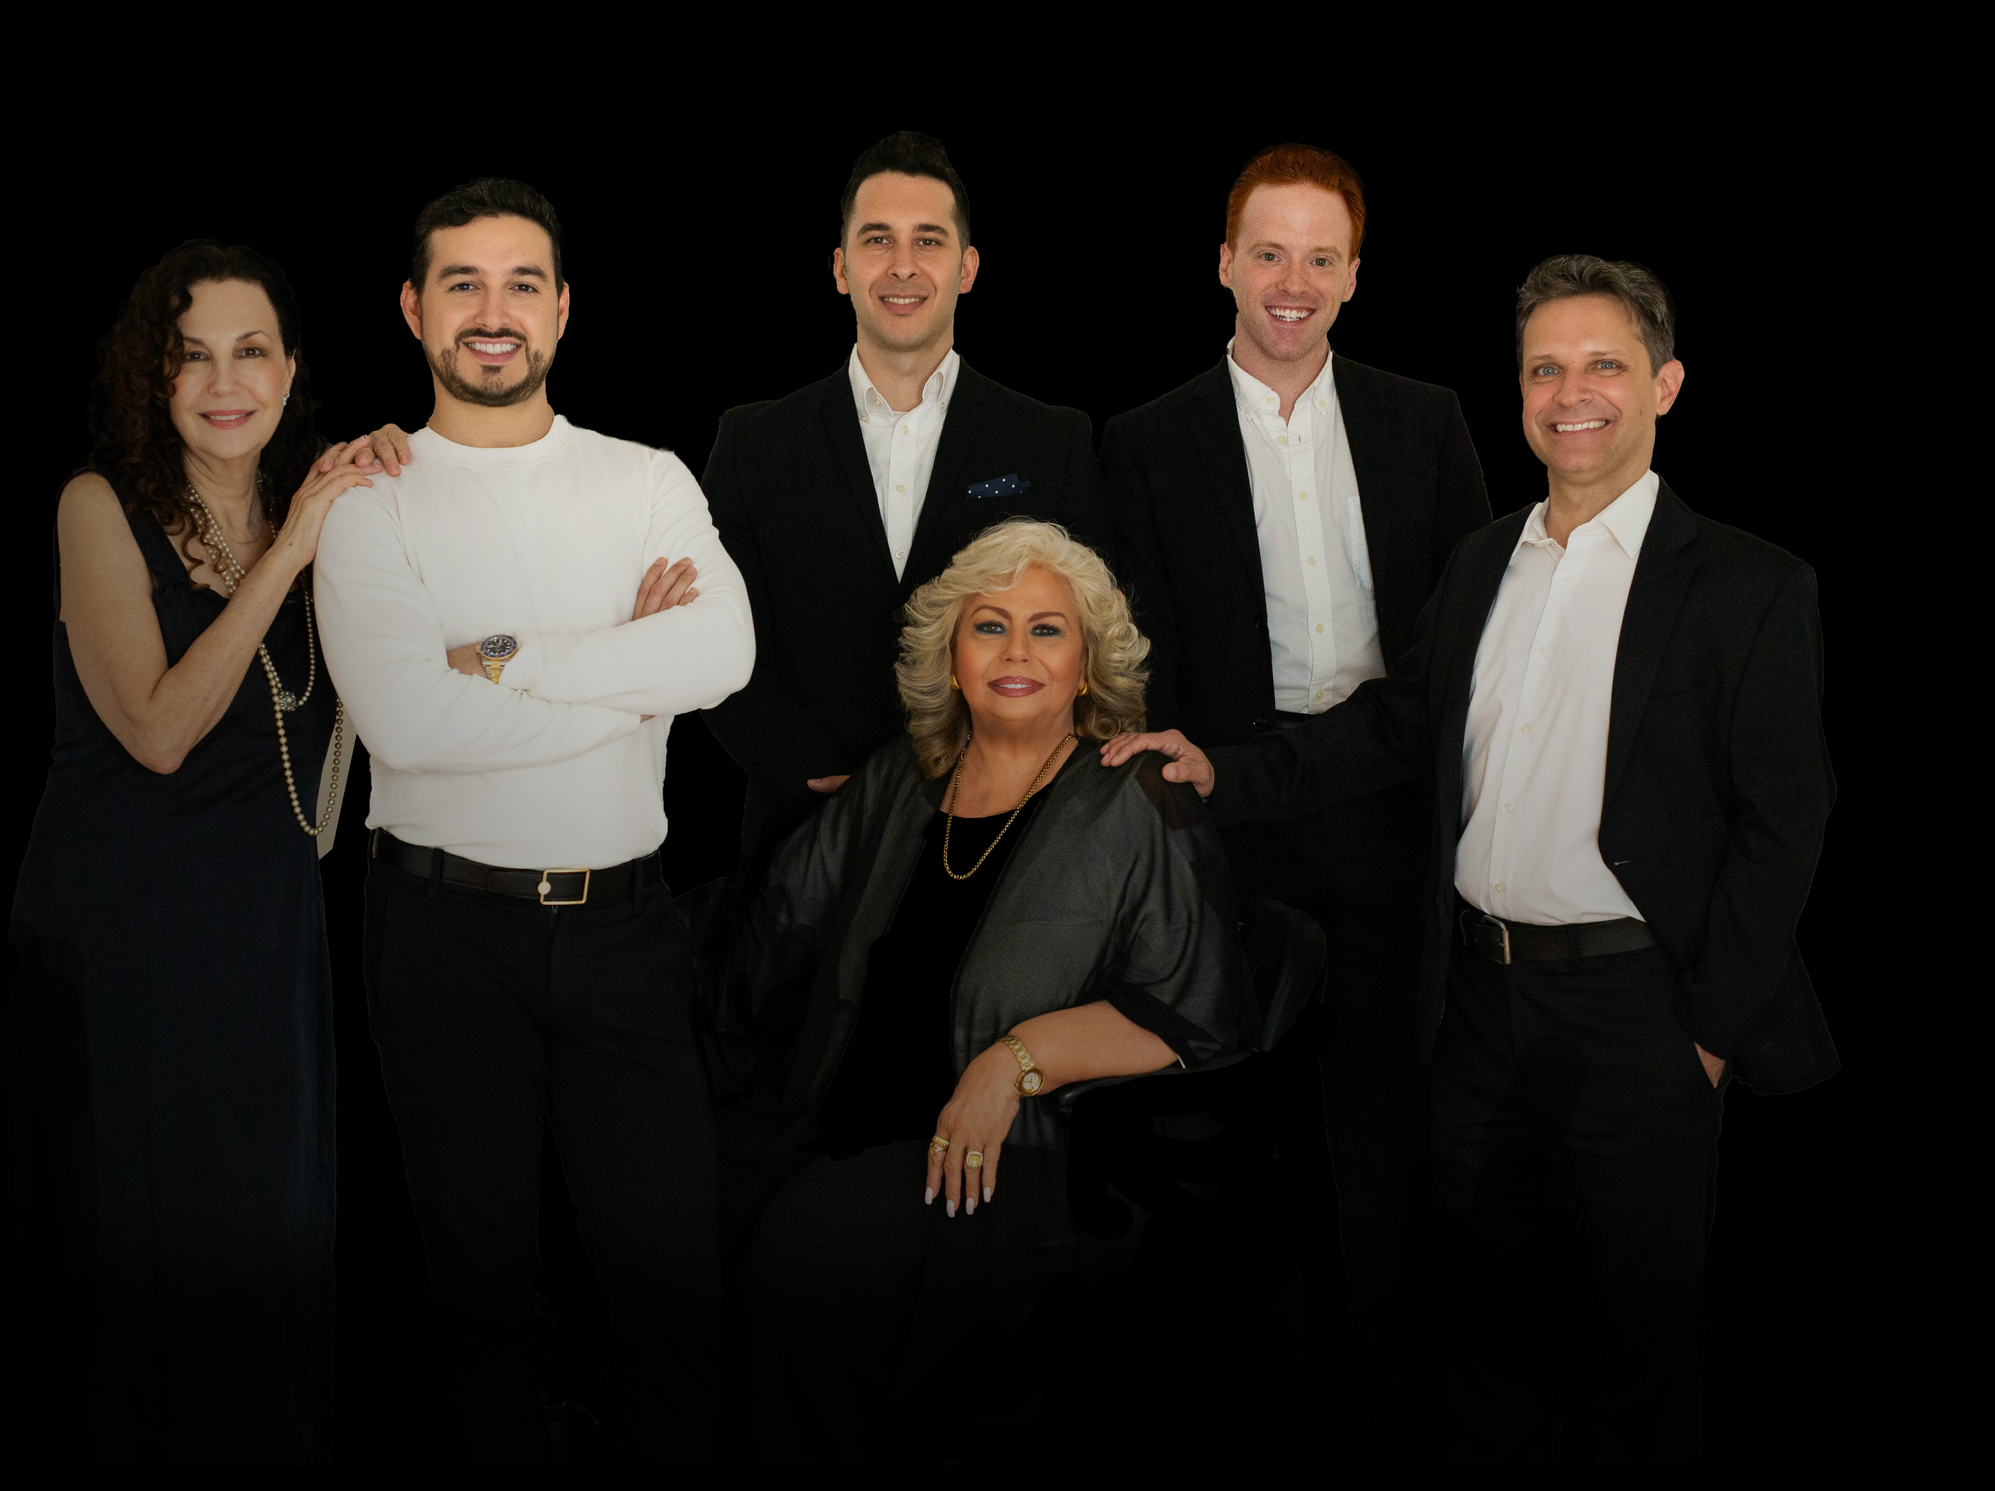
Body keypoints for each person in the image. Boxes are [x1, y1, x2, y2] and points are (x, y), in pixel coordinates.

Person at [1114, 256, 1837, 1464]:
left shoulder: (1750, 587)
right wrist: (1227, 772)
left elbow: (1786, 821)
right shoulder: (1482, 564)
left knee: (1639, 1355)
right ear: (1518, 393)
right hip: (1478, 1008)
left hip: (1640, 1016)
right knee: (1486, 1333)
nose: (1572, 393)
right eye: (1544, 368)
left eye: (1604, 364)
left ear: (1664, 384)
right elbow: (1395, 726)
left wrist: (1705, 1028)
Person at [313, 178, 755, 1463]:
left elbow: (720, 650)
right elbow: (411, 727)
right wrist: (626, 673)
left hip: (625, 933)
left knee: (669, 1277)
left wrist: (502, 656)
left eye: (520, 285)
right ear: (412, 309)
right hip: (442, 934)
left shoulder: (646, 477)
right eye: (462, 283)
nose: (491, 313)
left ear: (562, 310)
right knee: (478, 1288)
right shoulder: (367, 500)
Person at [1098, 142, 1492, 1456]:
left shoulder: (1424, 420)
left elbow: (1456, 662)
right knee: (1235, 1163)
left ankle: (1403, 1425)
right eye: (1268, 251)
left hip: (1388, 832)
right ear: (1223, 263)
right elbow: (1137, 662)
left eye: (1321, 257)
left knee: (1392, 1158)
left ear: (1356, 277)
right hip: (1229, 841)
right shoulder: (1143, 442)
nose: (1292, 281)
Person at [705, 520, 1252, 1464]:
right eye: (988, 626)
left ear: (1087, 664)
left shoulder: (1134, 795)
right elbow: (778, 929)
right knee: (693, 1209)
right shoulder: (902, 781)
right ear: (951, 658)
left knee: (809, 1253)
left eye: (1048, 629)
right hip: (843, 1121)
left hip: (1022, 1164)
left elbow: (1191, 1015)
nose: (1015, 652)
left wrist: (1014, 1063)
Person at [2, 241, 403, 1463]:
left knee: (267, 1245)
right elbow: (162, 729)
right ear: (154, 375)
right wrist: (290, 551)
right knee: (142, 1259)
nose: (223, 381)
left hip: (264, 936)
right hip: (126, 934)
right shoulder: (96, 507)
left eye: (250, 351)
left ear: (289, 372)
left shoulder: (327, 519)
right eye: (192, 356)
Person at [701, 131, 1116, 866]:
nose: (901, 265)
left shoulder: (1052, 440)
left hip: (1003, 833)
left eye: (928, 239)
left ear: (967, 267)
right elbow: (709, 638)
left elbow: (1088, 634)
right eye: (876, 240)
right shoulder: (753, 442)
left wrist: (992, 776)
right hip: (800, 837)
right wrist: (823, 781)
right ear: (840, 268)